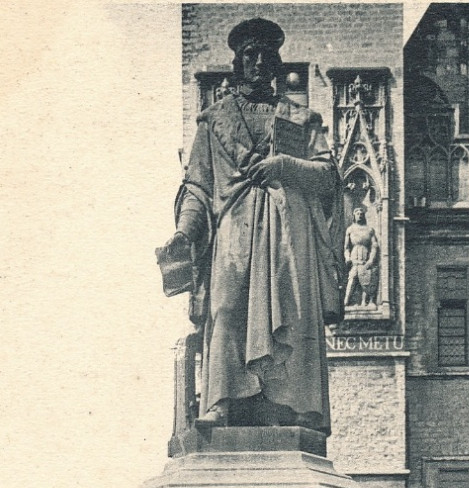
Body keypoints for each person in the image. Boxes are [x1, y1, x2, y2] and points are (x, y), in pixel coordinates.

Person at [161, 18, 344, 433]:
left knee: (293, 315)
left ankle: (295, 406)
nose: (259, 62)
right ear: (237, 63)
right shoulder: (213, 122)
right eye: (250, 55)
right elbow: (197, 186)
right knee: (225, 308)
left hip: (287, 234)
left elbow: (328, 175)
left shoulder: (301, 118)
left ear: (278, 64)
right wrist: (184, 232)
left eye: (267, 55)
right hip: (234, 232)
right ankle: (223, 401)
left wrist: (285, 165)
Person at [344, 206, 380, 308]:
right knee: (352, 279)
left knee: (366, 281)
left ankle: (365, 302)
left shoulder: (369, 230)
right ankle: (346, 301)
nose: (359, 215)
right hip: (355, 260)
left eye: (361, 213)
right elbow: (346, 247)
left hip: (366, 260)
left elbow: (374, 246)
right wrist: (347, 257)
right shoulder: (350, 229)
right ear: (354, 215)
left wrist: (371, 260)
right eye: (357, 213)